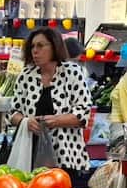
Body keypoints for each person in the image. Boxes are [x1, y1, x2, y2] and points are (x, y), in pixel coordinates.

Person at [9, 27, 92, 169]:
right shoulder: (26, 76)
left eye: (40, 46)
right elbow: (12, 113)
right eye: (32, 46)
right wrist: (25, 121)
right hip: (30, 153)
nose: (35, 51)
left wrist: (56, 121)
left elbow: (83, 113)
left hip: (66, 154)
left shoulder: (72, 73)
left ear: (54, 47)